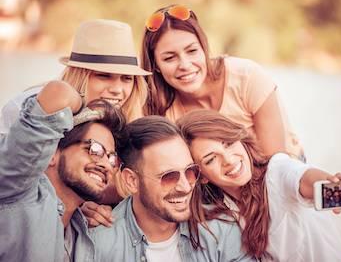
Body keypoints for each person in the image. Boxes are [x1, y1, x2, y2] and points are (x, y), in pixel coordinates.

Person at [177, 109, 341, 261]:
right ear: (201, 176)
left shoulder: (276, 171)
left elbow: (302, 177)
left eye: (228, 143)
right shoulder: (220, 210)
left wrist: (331, 183)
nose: (229, 160)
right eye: (211, 159)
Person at [141, 4, 304, 160]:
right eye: (169, 58)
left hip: (284, 171)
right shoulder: (158, 108)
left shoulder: (247, 77)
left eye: (192, 51)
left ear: (204, 48)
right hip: (224, 185)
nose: (185, 65)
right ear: (156, 66)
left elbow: (276, 162)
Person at [89, 115, 255, 262]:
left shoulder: (221, 229)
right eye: (169, 176)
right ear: (132, 181)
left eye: (190, 172)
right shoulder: (97, 245)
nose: (185, 186)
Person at [0, 81, 125, 261]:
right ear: (52, 152)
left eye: (111, 158)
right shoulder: (18, 189)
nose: (106, 164)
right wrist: (85, 109)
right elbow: (58, 93)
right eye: (95, 150)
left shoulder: (81, 230)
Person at [0, 18, 151, 135]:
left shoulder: (129, 127)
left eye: (127, 78)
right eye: (104, 76)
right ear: (79, 76)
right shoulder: (24, 109)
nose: (117, 89)